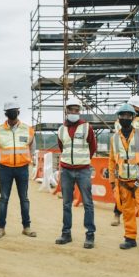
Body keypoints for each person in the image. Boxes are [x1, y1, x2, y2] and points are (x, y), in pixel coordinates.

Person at [108, 103, 139, 258]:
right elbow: (111, 160)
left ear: (133, 117)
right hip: (123, 181)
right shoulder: (114, 138)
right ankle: (130, 238)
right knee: (127, 211)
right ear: (119, 118)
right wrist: (112, 180)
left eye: (128, 116)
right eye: (122, 116)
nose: (125, 118)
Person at [55, 97, 96, 249]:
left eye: (76, 110)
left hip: (83, 170)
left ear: (80, 111)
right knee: (66, 203)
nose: (74, 112)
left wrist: (83, 161)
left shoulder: (87, 127)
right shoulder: (61, 129)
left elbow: (92, 147)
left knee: (88, 203)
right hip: (66, 170)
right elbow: (62, 147)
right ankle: (66, 234)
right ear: (66, 111)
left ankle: (90, 235)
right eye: (71, 109)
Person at [0, 101, 36, 239]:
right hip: (5, 169)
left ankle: (26, 227)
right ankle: (1, 228)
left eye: (14, 110)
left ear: (18, 112)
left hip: (22, 168)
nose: (12, 113)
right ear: (6, 114)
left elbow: (32, 148)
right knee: (4, 198)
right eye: (9, 111)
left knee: (24, 198)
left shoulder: (28, 129)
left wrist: (23, 159)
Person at [111, 95, 139, 226]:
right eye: (137, 107)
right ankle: (117, 214)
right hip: (123, 165)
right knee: (122, 197)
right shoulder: (119, 122)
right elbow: (118, 139)